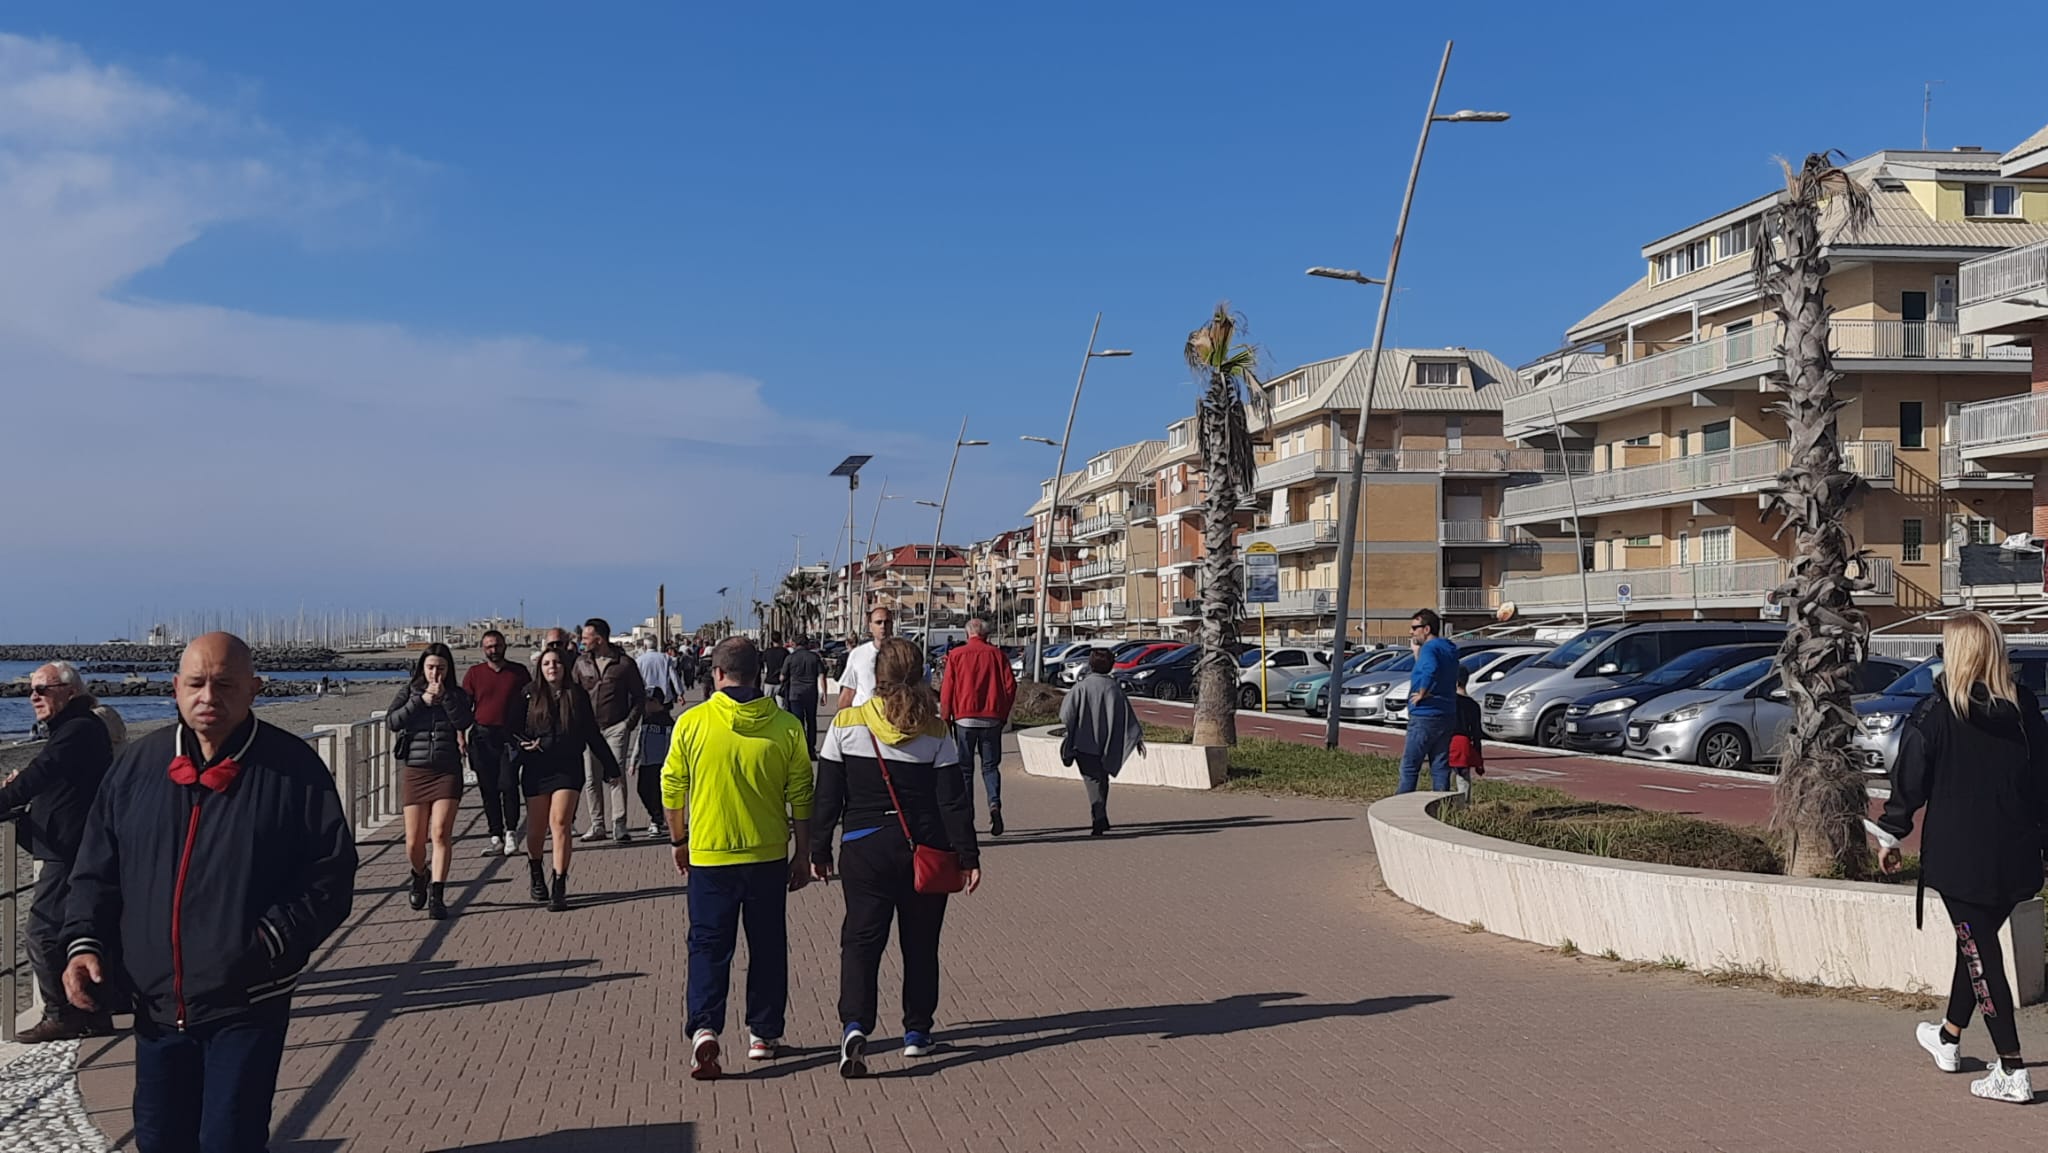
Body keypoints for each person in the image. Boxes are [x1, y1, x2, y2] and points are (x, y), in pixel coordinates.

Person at [62, 633, 357, 1151]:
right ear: (175, 688)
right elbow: (95, 869)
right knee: (159, 1139)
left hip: (246, 1001)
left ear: (254, 690)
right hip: (153, 1004)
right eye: (195, 684)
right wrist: (83, 943)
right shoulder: (136, 768)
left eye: (225, 685)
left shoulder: (294, 770)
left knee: (230, 1139)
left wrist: (266, 942)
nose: (208, 697)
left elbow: (331, 876)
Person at [1872, 610, 2048, 1104]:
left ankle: (2011, 1069)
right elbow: (2043, 784)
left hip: (1960, 857)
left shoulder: (1936, 712)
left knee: (1981, 954)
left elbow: (1910, 782)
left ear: (1958, 653)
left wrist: (1892, 834)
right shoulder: (2025, 709)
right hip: (2015, 854)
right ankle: (1948, 1036)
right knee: (1976, 943)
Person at [810, 637, 981, 1078]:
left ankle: (854, 1026)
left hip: (864, 847)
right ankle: (917, 1032)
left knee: (861, 942)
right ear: (922, 675)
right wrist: (968, 855)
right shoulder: (938, 730)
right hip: (925, 849)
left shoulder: (846, 724)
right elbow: (953, 802)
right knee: (921, 945)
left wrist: (817, 850)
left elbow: (826, 796)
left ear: (875, 678)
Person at [663, 638, 814, 1080]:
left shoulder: (692, 724)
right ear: (759, 673)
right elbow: (801, 795)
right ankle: (763, 1033)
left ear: (717, 674)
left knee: (708, 945)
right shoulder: (786, 727)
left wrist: (678, 839)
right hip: (766, 854)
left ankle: (705, 1028)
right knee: (767, 946)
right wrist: (802, 853)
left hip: (709, 854)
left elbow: (672, 785)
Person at [2, 662, 114, 1042]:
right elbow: (50, 773)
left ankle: (62, 1013)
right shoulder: (73, 729)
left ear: (70, 692)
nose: (33, 697)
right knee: (76, 926)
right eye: (30, 691)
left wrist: (6, 798)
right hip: (70, 843)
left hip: (71, 848)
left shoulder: (78, 729)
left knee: (43, 932)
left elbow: (42, 772)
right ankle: (92, 1011)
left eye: (42, 689)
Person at [515, 646, 619, 911]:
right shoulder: (528, 694)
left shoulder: (577, 695)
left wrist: (610, 766)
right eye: (547, 663)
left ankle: (559, 884)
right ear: (540, 667)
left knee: (560, 822)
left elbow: (591, 733)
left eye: (557, 663)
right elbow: (512, 730)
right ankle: (536, 871)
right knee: (536, 829)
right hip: (537, 767)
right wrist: (523, 745)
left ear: (565, 667)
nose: (552, 667)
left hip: (567, 767)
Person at [387, 644, 474, 920]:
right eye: (431, 667)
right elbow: (393, 721)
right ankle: (419, 873)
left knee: (439, 833)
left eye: (441, 668)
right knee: (413, 842)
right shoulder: (409, 692)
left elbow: (464, 720)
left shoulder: (457, 694)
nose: (435, 672)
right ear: (422, 668)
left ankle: (437, 894)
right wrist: (421, 700)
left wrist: (445, 698)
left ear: (448, 670)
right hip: (416, 770)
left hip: (447, 770)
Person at [939, 617, 1017, 836]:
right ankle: (994, 804)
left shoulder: (955, 656)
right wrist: (1002, 714)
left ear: (967, 634)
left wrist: (946, 718)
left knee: (965, 770)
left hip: (964, 719)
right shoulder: (998, 655)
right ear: (986, 634)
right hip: (991, 719)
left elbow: (947, 690)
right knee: (990, 767)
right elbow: (1010, 687)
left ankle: (967, 817)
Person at [1058, 647, 1144, 835]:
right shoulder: (1115, 689)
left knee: (1092, 779)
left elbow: (1065, 715)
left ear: (1090, 664)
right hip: (1108, 744)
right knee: (1102, 779)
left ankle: (1098, 816)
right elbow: (1127, 717)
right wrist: (1137, 740)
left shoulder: (1081, 687)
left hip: (1084, 743)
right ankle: (1101, 814)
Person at [574, 618, 646, 844]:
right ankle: (597, 825)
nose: (582, 642)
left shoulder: (624, 664)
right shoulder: (581, 663)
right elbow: (572, 695)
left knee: (616, 775)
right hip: (588, 729)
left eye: (586, 638)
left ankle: (619, 824)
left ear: (600, 639)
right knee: (591, 779)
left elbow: (639, 696)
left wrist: (628, 724)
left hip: (615, 727)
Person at [463, 629, 533, 858]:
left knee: (509, 784)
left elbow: (531, 705)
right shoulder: (474, 674)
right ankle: (495, 836)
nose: (494, 650)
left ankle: (511, 832)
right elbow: (464, 709)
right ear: (483, 649)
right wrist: (459, 737)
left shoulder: (519, 673)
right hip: (482, 738)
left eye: (497, 645)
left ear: (505, 646)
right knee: (488, 788)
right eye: (489, 646)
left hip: (510, 737)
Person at [1397, 609, 1459, 794]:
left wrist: (1422, 692)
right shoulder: (1448, 648)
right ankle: (1441, 803)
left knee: (1410, 765)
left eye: (1415, 628)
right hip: (1446, 712)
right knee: (1440, 765)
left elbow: (1430, 669)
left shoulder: (1430, 648)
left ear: (1426, 629)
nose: (1411, 632)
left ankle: (1401, 804)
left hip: (1425, 714)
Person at [836, 607, 894, 711]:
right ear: (871, 626)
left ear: (892, 625)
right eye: (878, 622)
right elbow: (848, 692)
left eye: (887, 622)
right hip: (863, 718)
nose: (883, 626)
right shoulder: (858, 654)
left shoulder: (902, 654)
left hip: (892, 716)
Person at [634, 689, 674, 839]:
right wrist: (634, 761)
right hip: (645, 762)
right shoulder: (646, 719)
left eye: (651, 701)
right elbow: (640, 740)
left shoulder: (667, 722)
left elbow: (670, 743)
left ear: (659, 703)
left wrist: (668, 761)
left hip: (660, 764)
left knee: (656, 792)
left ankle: (656, 821)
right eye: (646, 702)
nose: (648, 705)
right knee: (642, 790)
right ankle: (656, 816)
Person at [782, 635, 827, 756]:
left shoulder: (790, 658)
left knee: (798, 722)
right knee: (811, 720)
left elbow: (782, 677)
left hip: (795, 694)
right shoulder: (814, 657)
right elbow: (822, 676)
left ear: (795, 644)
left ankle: (800, 749)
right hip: (811, 693)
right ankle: (811, 748)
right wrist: (824, 694)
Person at [1448, 667, 1486, 793]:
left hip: (1448, 742)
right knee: (1463, 778)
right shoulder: (1473, 705)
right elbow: (1476, 733)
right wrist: (1479, 760)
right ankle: (1464, 804)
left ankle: (1442, 802)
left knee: (1444, 776)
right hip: (1464, 744)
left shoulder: (1448, 701)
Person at [637, 635, 682, 707]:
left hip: (647, 697)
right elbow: (674, 676)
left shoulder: (639, 660)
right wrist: (679, 693)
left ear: (645, 646)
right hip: (665, 696)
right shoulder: (666, 658)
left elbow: (637, 680)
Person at [762, 632, 789, 703]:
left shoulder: (767, 652)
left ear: (771, 640)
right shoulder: (785, 652)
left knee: (766, 705)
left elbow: (762, 663)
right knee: (781, 707)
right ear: (780, 640)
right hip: (781, 682)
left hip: (769, 681)